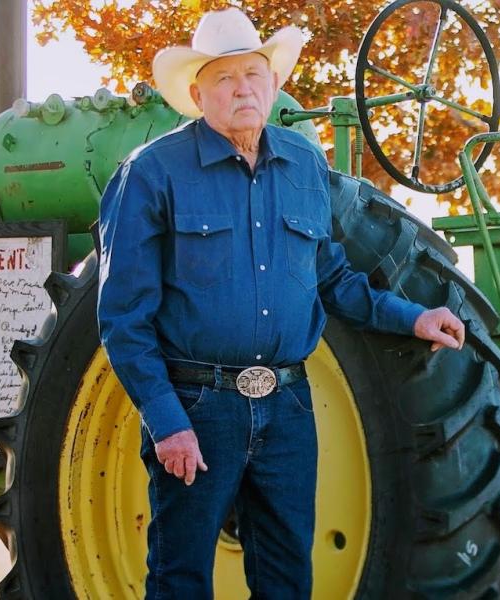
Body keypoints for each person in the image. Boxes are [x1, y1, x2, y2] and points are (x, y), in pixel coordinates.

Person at [96, 7, 465, 599]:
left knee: (288, 577)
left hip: (287, 407)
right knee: (180, 578)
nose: (243, 88)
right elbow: (123, 319)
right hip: (197, 408)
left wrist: (414, 317)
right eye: (224, 78)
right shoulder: (150, 173)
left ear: (273, 83)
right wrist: (168, 424)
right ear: (197, 92)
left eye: (254, 74)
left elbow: (332, 279)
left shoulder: (302, 164)